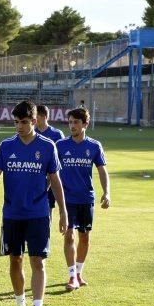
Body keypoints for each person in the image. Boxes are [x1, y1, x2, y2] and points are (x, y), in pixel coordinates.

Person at [0, 99, 67, 306]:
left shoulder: (48, 146)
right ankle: (20, 305)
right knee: (15, 259)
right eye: (16, 122)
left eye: (23, 122)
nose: (19, 126)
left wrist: (63, 212)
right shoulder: (6, 146)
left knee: (37, 261)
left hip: (39, 214)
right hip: (12, 214)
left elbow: (56, 182)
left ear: (34, 121)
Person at [56, 107, 110, 290]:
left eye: (76, 122)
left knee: (84, 237)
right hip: (67, 199)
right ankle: (71, 276)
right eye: (70, 122)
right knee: (69, 235)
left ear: (85, 124)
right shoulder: (61, 146)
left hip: (86, 198)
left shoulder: (94, 146)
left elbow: (102, 170)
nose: (72, 125)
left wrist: (107, 192)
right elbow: (51, 173)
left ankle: (79, 272)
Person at [36, 104, 65, 218]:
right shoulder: (32, 133)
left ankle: (46, 234)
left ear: (44, 116)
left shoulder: (57, 134)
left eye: (36, 116)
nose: (34, 119)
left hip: (51, 178)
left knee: (48, 210)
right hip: (35, 177)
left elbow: (61, 158)